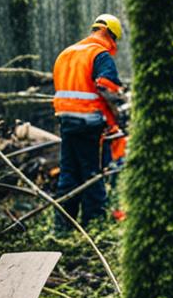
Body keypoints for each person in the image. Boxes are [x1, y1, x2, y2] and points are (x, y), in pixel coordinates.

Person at [52, 14, 126, 228]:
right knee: (93, 173)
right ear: (111, 34)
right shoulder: (99, 54)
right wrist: (117, 112)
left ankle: (63, 226)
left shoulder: (66, 54)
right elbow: (106, 86)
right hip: (90, 122)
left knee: (68, 173)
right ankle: (94, 224)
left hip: (66, 121)